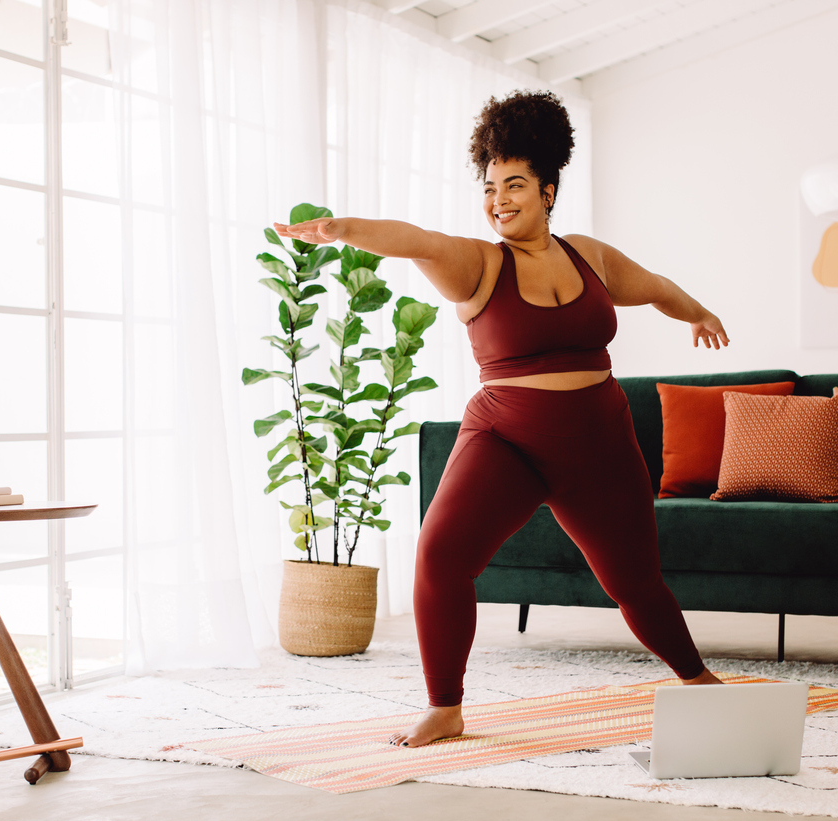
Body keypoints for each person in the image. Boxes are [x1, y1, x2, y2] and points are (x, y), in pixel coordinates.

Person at [275, 89, 728, 749]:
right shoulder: (481, 264)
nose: (499, 200)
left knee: (634, 581)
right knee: (439, 554)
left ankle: (695, 678)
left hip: (599, 441)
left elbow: (653, 285)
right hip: (507, 440)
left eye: (514, 184)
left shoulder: (589, 256)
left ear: (548, 189)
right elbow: (418, 241)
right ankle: (445, 706)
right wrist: (346, 231)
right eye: (489, 187)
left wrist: (697, 313)